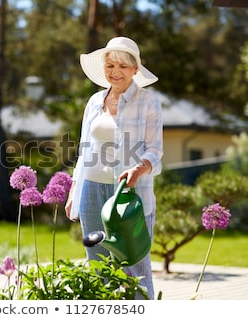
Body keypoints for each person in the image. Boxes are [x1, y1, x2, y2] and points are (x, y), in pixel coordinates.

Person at [65, 36, 163, 300]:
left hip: (129, 195)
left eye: (122, 66)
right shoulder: (95, 101)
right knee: (98, 267)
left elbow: (155, 150)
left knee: (135, 268)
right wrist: (75, 189)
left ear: (135, 69)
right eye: (110, 66)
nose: (115, 72)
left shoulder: (148, 101)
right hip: (92, 192)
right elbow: (85, 149)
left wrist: (138, 169)